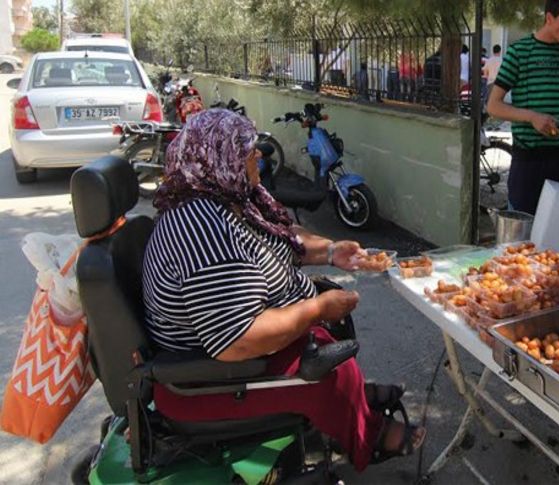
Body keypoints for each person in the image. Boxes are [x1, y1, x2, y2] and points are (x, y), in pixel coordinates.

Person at [142, 109, 426, 471]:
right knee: (332, 372)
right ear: (218, 157)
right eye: (247, 150)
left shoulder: (227, 201)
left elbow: (281, 240)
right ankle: (367, 438)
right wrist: (317, 309)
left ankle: (357, 403)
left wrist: (332, 252)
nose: (258, 155)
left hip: (230, 356)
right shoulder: (202, 230)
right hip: (206, 379)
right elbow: (237, 340)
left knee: (331, 342)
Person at [487, 0, 559, 215]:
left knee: (556, 233)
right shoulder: (519, 53)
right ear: (549, 18)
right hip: (528, 161)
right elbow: (493, 106)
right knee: (522, 236)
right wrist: (531, 117)